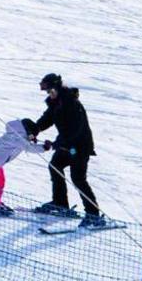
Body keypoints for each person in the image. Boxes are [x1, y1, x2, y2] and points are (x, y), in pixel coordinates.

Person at [29, 74, 101, 223]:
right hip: (66, 145)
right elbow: (47, 119)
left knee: (78, 179)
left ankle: (93, 215)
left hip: (79, 147)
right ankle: (60, 203)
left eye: (50, 91)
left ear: (56, 88)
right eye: (47, 92)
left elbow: (75, 129)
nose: (49, 94)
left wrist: (56, 143)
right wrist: (33, 130)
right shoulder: (56, 103)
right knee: (55, 166)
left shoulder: (71, 103)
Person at [0, 119, 46, 215]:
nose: (31, 138)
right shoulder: (19, 138)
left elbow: (26, 142)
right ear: (28, 131)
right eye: (31, 135)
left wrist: (30, 138)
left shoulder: (16, 131)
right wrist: (44, 147)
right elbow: (29, 147)